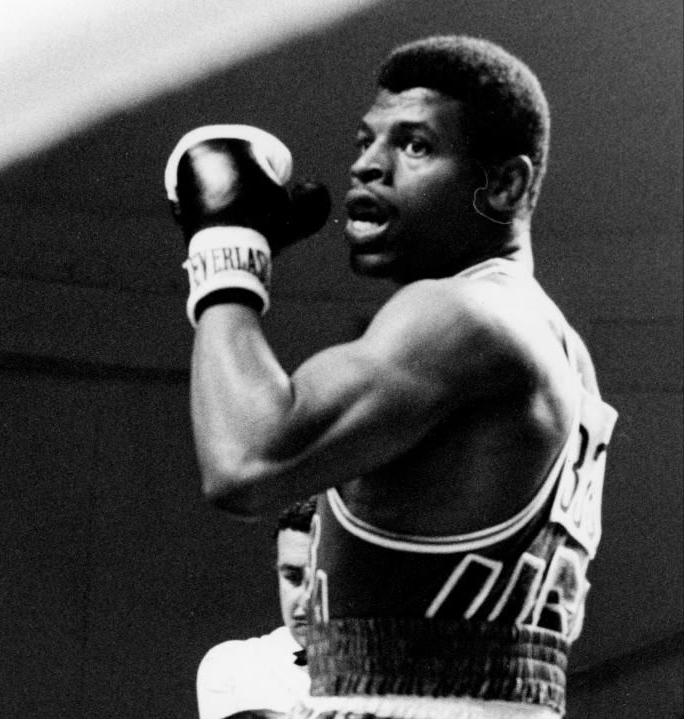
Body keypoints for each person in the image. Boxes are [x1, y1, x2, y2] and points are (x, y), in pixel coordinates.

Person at [164, 35, 618, 719]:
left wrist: (226, 248)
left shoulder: (462, 314)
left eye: (414, 146)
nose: (368, 167)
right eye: (365, 141)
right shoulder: (555, 345)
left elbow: (243, 461)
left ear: (505, 185)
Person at [196, 498, 317, 719]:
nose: (306, 601)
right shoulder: (235, 665)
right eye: (292, 577)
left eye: (319, 580)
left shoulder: (393, 672)